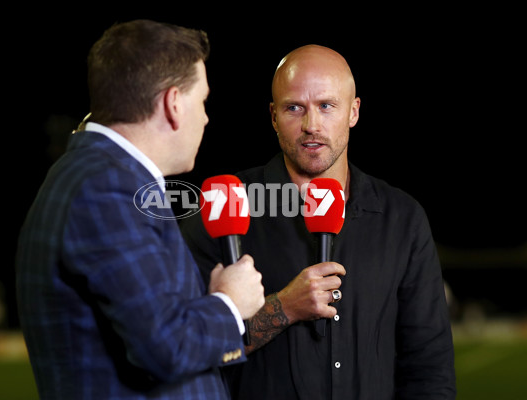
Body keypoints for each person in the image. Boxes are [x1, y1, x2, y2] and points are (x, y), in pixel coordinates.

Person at [180, 44, 456, 399]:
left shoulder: (401, 218)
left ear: (353, 111)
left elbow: (428, 367)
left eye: (326, 106)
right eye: (295, 108)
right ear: (273, 116)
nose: (312, 125)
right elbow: (182, 349)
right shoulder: (223, 205)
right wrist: (283, 308)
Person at [15, 19, 265, 400]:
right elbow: (164, 348)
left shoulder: (96, 175)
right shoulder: (106, 188)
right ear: (173, 104)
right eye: (203, 101)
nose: (207, 118)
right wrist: (230, 303)